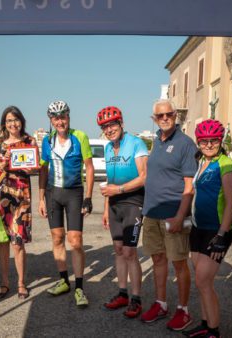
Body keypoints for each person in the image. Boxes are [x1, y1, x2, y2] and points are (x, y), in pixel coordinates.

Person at [140, 99, 197, 331]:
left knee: (180, 264)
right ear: (154, 119)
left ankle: (183, 310)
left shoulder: (185, 144)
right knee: (158, 260)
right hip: (152, 213)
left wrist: (179, 216)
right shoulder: (157, 141)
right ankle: (161, 303)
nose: (165, 118)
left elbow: (189, 186)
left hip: (174, 215)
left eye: (169, 115)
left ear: (175, 116)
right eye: (160, 116)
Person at [183, 119, 232, 338]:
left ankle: (213, 331)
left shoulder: (226, 164)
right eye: (203, 141)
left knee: (203, 280)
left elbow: (231, 203)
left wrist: (222, 235)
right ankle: (205, 324)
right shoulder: (201, 162)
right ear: (198, 142)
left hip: (216, 231)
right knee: (202, 281)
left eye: (213, 140)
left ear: (220, 140)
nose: (208, 145)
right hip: (198, 228)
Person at [38, 100, 94, 308]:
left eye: (63, 116)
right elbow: (43, 170)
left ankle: (79, 287)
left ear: (69, 117)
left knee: (76, 240)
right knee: (57, 237)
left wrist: (88, 197)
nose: (60, 121)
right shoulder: (47, 140)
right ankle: (63, 280)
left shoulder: (80, 137)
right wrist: (41, 197)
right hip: (53, 193)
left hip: (74, 193)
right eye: (55, 118)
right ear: (51, 121)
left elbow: (89, 167)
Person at [96, 106, 148, 318]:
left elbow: (144, 176)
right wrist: (107, 208)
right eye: (105, 127)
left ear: (121, 123)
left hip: (133, 203)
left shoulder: (136, 143)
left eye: (112, 124)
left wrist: (118, 190)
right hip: (115, 205)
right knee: (118, 250)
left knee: (130, 252)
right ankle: (122, 294)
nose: (109, 129)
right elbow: (110, 181)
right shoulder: (108, 148)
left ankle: (136, 299)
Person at [0, 106, 37, 300]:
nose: (13, 124)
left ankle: (20, 283)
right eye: (9, 120)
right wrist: (4, 161)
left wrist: (28, 168)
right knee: (3, 243)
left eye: (16, 120)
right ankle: (4, 282)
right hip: (1, 196)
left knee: (18, 243)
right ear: (5, 123)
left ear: (21, 121)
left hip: (22, 196)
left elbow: (36, 168)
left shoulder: (30, 141)